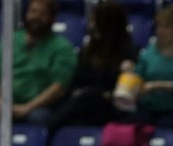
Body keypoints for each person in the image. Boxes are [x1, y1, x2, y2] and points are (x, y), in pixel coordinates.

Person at [0, 0, 77, 146]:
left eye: (42, 13)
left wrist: (27, 108)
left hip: (37, 106)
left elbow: (59, 86)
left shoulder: (62, 47)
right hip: (4, 104)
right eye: (33, 12)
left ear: (52, 18)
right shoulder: (10, 40)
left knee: (39, 118)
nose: (36, 17)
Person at [47, 0, 139, 132]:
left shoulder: (128, 52)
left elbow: (121, 88)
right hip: (85, 104)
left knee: (88, 96)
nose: (91, 25)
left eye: (94, 21)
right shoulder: (90, 49)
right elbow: (77, 78)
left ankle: (50, 129)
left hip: (111, 106)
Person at [119, 3, 173, 134]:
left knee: (165, 128)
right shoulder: (152, 49)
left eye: (166, 27)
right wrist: (130, 71)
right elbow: (140, 73)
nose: (160, 31)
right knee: (128, 126)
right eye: (159, 26)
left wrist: (160, 86)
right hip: (149, 107)